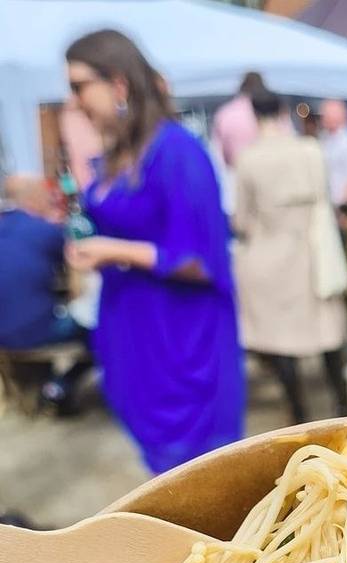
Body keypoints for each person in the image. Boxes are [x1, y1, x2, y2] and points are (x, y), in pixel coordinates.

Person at [64, 30, 244, 473]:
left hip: (180, 339)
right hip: (135, 334)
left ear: (119, 83)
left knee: (198, 474)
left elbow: (199, 260)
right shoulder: (119, 156)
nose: (75, 101)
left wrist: (114, 249)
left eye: (79, 86)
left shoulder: (177, 152)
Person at [233, 90, 347, 421]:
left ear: (255, 115)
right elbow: (324, 200)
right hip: (313, 256)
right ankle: (344, 405)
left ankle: (298, 414)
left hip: (271, 259)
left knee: (282, 340)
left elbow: (242, 219)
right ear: (284, 111)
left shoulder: (248, 158)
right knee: (327, 335)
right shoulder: (311, 150)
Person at [0, 176, 82, 349]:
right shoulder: (44, 231)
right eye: (47, 197)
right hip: (35, 331)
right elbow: (78, 265)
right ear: (34, 199)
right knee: (93, 329)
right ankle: (65, 377)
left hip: (4, 335)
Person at [211, 71, 266, 169]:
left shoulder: (225, 113)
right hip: (266, 173)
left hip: (236, 173)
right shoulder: (272, 113)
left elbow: (217, 155)